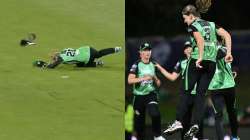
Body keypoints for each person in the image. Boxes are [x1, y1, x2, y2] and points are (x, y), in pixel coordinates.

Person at [162, 0, 233, 139]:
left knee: (185, 91)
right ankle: (195, 125)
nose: (185, 21)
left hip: (196, 61)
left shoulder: (193, 25)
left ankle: (178, 122)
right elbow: (227, 35)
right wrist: (229, 53)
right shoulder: (212, 25)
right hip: (211, 63)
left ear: (191, 15)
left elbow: (199, 41)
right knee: (200, 95)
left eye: (185, 18)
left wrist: (199, 57)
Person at [156, 41, 203, 140]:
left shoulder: (200, 60)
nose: (188, 49)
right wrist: (160, 68)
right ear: (184, 51)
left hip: (198, 93)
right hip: (186, 94)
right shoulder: (181, 62)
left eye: (190, 47)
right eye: (186, 48)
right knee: (184, 121)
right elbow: (172, 77)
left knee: (198, 120)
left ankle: (199, 137)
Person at [127, 43, 165, 140]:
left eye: (149, 50)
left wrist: (157, 80)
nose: (147, 52)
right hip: (138, 97)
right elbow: (130, 80)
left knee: (155, 113)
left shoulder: (153, 64)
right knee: (139, 125)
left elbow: (156, 80)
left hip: (150, 95)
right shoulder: (136, 64)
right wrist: (142, 78)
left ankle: (157, 135)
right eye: (145, 50)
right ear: (140, 53)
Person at [208, 43, 240, 140]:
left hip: (227, 85)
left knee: (231, 113)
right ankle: (226, 138)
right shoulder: (205, 50)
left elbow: (220, 54)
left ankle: (234, 137)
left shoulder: (224, 49)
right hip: (217, 87)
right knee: (220, 115)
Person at [33, 45, 122, 68]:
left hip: (87, 57)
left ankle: (97, 63)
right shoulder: (65, 50)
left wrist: (43, 64)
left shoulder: (62, 58)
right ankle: (115, 49)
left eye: (54, 58)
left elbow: (53, 66)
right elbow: (59, 55)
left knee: (80, 65)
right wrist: (55, 55)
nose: (54, 59)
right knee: (98, 53)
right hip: (87, 48)